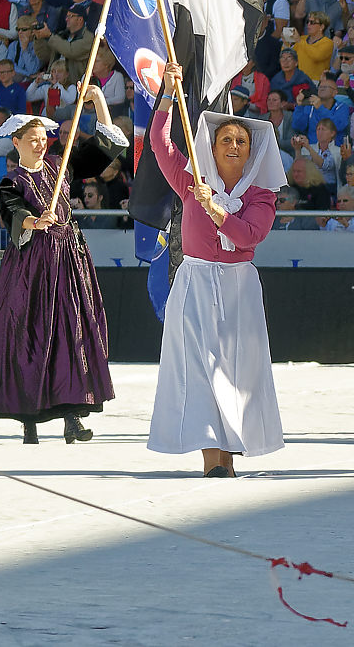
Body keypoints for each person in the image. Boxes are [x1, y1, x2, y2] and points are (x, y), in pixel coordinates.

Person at [146, 63, 286, 477]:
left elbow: (249, 237)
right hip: (195, 282)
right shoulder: (191, 180)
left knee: (238, 370)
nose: (234, 144)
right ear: (212, 143)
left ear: (253, 149)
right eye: (225, 138)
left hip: (239, 288)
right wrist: (170, 92)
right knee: (200, 368)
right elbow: (158, 140)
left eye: (241, 140)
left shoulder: (262, 194)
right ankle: (213, 460)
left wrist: (215, 209)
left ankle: (229, 452)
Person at [0, 95, 126, 445]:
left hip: (67, 260)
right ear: (16, 142)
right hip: (32, 268)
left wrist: (96, 99)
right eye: (31, 139)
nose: (39, 143)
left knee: (73, 330)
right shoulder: (12, 181)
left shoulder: (58, 165)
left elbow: (106, 146)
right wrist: (35, 221)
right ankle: (29, 419)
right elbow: (12, 211)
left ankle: (73, 417)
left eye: (42, 138)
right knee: (31, 334)